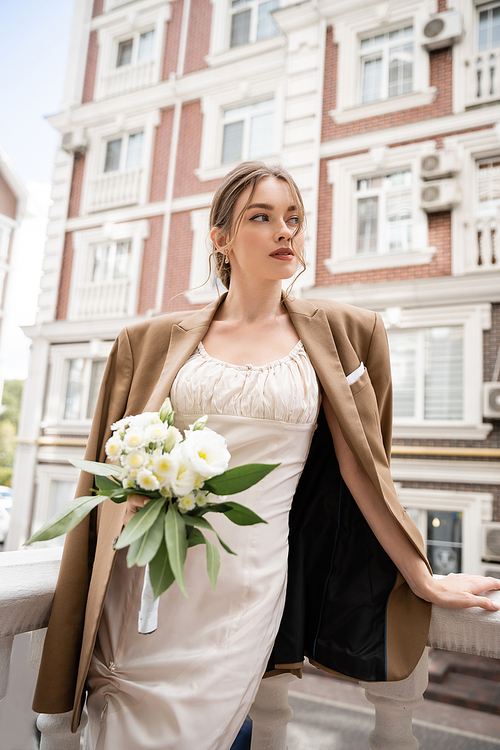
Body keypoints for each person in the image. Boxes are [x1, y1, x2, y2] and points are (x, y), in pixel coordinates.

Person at [32, 162, 500, 749]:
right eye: (262, 217)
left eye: (294, 219)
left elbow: (364, 471)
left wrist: (420, 576)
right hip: (148, 579)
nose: (285, 232)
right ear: (221, 238)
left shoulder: (339, 335)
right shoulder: (149, 341)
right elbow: (110, 481)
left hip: (247, 582)